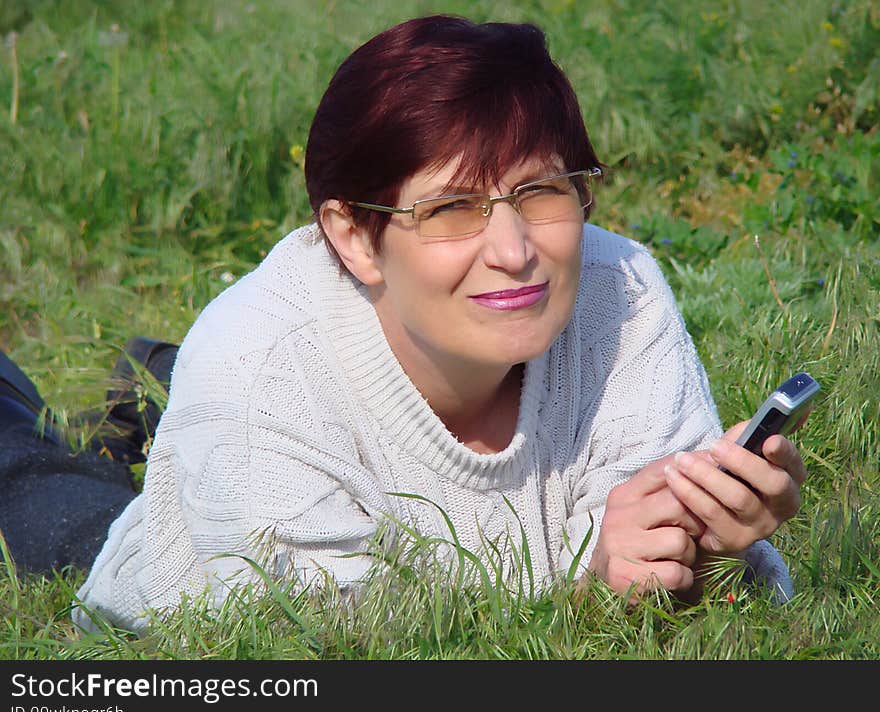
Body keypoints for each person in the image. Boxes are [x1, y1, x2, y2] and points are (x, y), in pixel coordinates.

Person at [2, 16, 805, 635]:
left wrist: (713, 550)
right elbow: (342, 646)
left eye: (542, 192)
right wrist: (585, 583)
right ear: (354, 236)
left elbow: (668, 589)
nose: (515, 251)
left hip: (294, 410)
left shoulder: (616, 290)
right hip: (194, 588)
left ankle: (156, 391)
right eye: (452, 208)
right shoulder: (255, 368)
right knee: (45, 495)